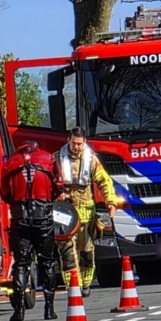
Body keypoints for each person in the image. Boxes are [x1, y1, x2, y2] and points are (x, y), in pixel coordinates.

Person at [0, 140, 75, 321]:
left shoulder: (10, 163)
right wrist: (47, 200)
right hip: (43, 217)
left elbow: (4, 193)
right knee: (47, 262)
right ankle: (49, 309)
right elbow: (58, 186)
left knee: (21, 263)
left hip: (20, 218)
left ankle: (19, 310)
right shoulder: (48, 159)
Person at [55, 127, 119, 297]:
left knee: (86, 250)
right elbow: (48, 182)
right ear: (68, 140)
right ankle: (72, 285)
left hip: (86, 212)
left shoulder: (91, 160)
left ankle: (85, 284)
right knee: (67, 251)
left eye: (80, 144)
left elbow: (104, 181)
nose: (77, 147)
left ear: (84, 142)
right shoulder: (56, 158)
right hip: (65, 213)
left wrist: (110, 202)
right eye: (74, 143)